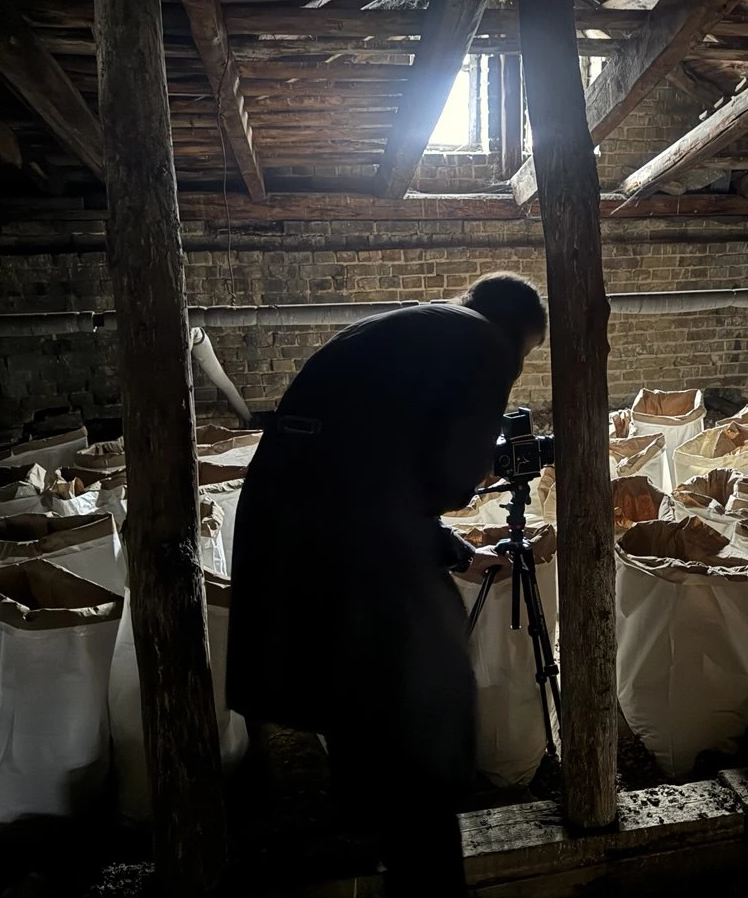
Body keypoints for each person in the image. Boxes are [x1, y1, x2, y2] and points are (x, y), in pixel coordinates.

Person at [227, 272, 548, 896]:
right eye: (529, 354)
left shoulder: (416, 329)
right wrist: (479, 470)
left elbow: (373, 476)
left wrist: (456, 553)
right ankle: (424, 867)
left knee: (362, 687)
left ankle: (386, 833)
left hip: (297, 525)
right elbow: (447, 477)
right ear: (520, 333)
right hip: (339, 541)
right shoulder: (486, 345)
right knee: (425, 684)